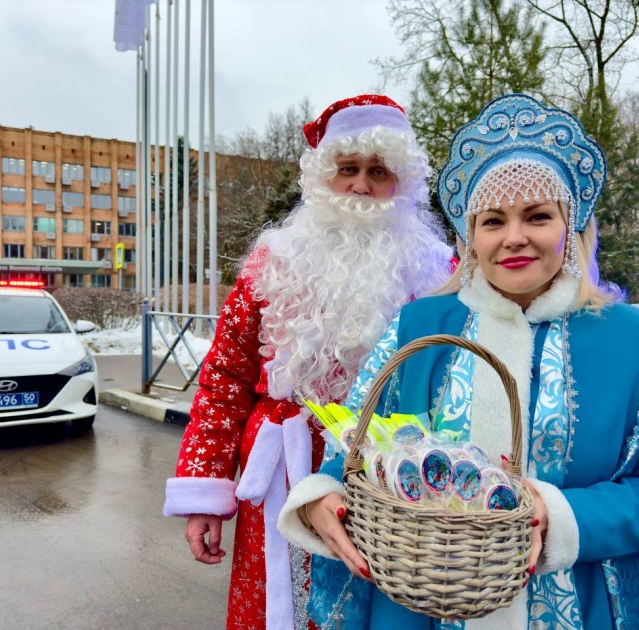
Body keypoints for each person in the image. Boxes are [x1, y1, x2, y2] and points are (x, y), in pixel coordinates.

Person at [278, 93, 639, 629]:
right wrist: (323, 498)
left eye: (536, 216)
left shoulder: (631, 339)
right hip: (417, 607)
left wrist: (561, 515)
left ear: (572, 225)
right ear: (471, 238)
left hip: (570, 605)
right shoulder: (419, 326)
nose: (514, 237)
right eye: (493, 221)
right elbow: (357, 448)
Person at [163, 95, 454, 630]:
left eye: (378, 171)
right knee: (279, 609)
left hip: (390, 482)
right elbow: (223, 381)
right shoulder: (272, 263)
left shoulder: (439, 273)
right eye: (347, 169)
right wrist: (204, 492)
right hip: (281, 478)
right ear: (324, 176)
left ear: (403, 183)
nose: (361, 186)